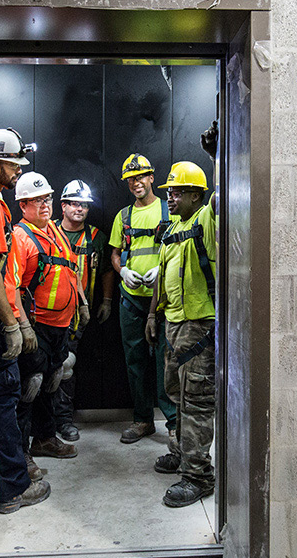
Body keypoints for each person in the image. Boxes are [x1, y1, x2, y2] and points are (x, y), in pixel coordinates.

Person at [0, 128, 50, 513]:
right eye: (11, 164)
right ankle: (12, 491)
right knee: (5, 402)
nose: (18, 170)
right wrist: (10, 324)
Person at [146, 160, 218, 508]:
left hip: (199, 326)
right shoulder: (174, 227)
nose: (169, 197)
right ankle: (182, 453)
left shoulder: (206, 220)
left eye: (176, 192)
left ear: (195, 194)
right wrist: (151, 313)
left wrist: (220, 157)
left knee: (197, 402)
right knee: (175, 394)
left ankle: (199, 476)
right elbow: (163, 272)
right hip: (173, 324)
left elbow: (224, 197)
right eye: (169, 192)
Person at [13, 172, 85, 467]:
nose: (44, 205)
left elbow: (70, 270)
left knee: (51, 384)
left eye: (47, 199)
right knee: (30, 386)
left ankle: (45, 438)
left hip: (61, 326)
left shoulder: (55, 231)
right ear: (23, 205)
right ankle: (21, 454)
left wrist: (82, 303)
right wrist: (23, 327)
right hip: (37, 327)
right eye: (36, 200)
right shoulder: (21, 237)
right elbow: (12, 286)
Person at [109, 154, 178, 445]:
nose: (136, 182)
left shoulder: (168, 211)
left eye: (141, 176)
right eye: (131, 179)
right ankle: (142, 420)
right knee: (135, 361)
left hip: (163, 300)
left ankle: (174, 423)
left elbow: (180, 245)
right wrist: (122, 270)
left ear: (151, 177)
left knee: (167, 362)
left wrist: (160, 270)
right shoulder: (123, 217)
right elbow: (114, 253)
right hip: (131, 300)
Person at [52, 179, 115, 442]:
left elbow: (107, 271)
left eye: (85, 205)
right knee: (40, 370)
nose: (80, 209)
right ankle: (41, 424)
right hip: (46, 314)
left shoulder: (95, 237)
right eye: (74, 204)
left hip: (78, 317)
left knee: (66, 367)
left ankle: (64, 421)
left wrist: (107, 301)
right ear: (63, 205)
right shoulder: (46, 231)